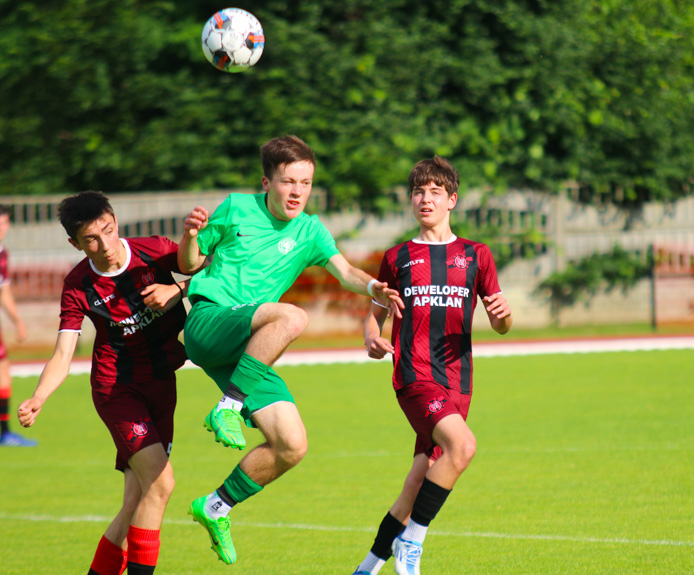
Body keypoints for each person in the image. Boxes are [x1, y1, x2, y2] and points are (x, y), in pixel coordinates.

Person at [178, 134, 404, 565]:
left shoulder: (310, 231)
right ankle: (227, 406)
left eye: (305, 182)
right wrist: (190, 235)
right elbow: (189, 263)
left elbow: (346, 272)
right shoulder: (236, 207)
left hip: (249, 349)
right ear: (267, 183)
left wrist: (373, 286)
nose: (298, 191)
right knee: (293, 317)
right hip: (210, 322)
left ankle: (216, 506)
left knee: (291, 445)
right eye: (288, 181)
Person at [351, 156, 512, 575]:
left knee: (418, 481)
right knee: (464, 447)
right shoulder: (397, 257)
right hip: (414, 375)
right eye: (419, 192)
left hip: (458, 382)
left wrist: (502, 315)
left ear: (452, 200)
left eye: (435, 192)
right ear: (411, 199)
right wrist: (371, 336)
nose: (426, 199)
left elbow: (501, 324)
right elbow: (374, 315)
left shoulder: (477, 255)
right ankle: (412, 545)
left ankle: (367, 568)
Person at [17, 191, 189, 575]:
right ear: (74, 244)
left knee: (135, 501)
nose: (105, 245)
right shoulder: (78, 284)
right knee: (161, 484)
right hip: (118, 391)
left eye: (108, 231)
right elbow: (64, 353)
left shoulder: (155, 250)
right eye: (91, 240)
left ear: (115, 221)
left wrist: (177, 289)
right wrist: (39, 396)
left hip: (162, 384)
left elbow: (210, 270)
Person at [0, 205, 33, 446]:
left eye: (4, 223)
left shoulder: (3, 253)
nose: (1, 228)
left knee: (3, 375)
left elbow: (4, 291)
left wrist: (17, 320)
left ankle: (5, 432)